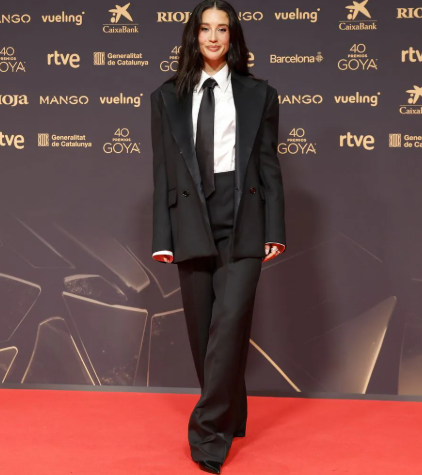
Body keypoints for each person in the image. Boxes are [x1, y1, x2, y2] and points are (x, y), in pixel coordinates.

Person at [150, 1, 286, 472]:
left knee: (228, 327)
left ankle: (208, 436)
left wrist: (275, 229)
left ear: (233, 37)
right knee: (201, 331)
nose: (213, 37)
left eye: (222, 29)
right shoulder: (166, 97)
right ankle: (234, 412)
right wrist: (163, 236)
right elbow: (163, 173)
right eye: (205, 29)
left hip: (243, 216)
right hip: (191, 219)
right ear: (194, 35)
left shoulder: (259, 94)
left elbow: (269, 165)